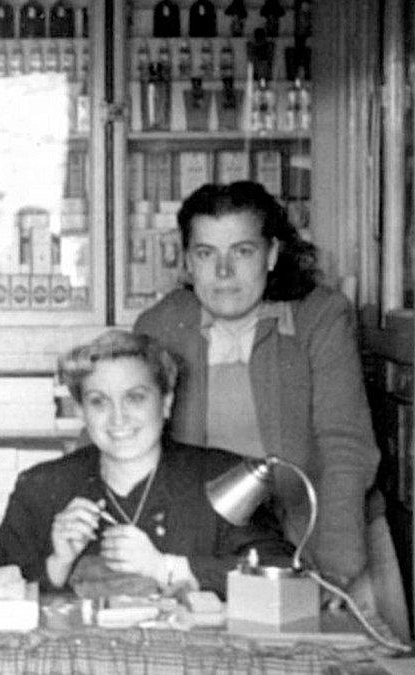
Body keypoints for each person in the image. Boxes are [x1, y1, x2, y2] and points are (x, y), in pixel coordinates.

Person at [133, 181, 403, 632]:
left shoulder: (320, 315)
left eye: (241, 251)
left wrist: (333, 572)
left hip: (326, 536)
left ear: (272, 254)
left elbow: (345, 447)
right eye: (205, 253)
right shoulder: (161, 324)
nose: (223, 272)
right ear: (186, 261)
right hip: (213, 551)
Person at [0, 330, 293, 597]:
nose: (118, 418)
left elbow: (282, 574)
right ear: (82, 411)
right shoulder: (39, 487)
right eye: (99, 401)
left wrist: (166, 568)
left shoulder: (225, 477)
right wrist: (57, 565)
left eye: (135, 398)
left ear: (166, 403)